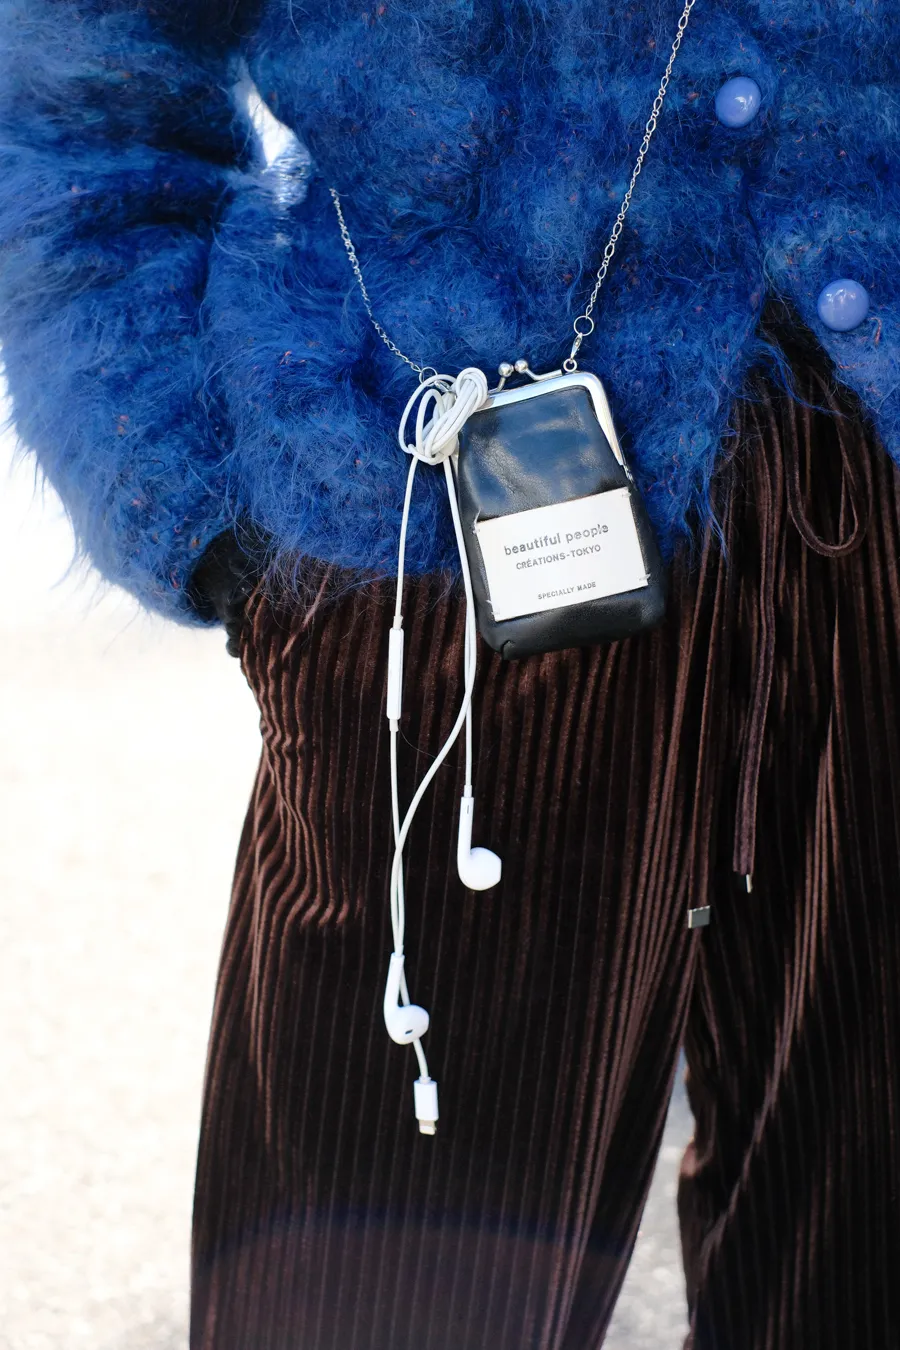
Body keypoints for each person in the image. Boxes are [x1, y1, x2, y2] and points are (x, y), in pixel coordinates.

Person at [1, 3, 898, 1347]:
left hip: (877, 490)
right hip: (436, 505)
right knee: (388, 1288)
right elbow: (78, 78)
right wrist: (175, 478)